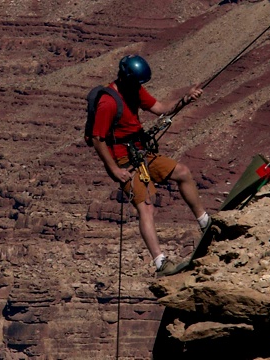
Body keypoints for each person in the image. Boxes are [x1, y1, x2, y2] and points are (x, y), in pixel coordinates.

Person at [90, 54, 211, 277]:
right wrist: (115, 170)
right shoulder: (108, 102)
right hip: (125, 161)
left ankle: (205, 223)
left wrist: (185, 99)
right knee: (146, 207)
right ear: (126, 78)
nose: (139, 87)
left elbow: (160, 108)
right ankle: (161, 263)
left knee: (183, 172)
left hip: (142, 153)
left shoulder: (134, 89)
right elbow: (98, 139)